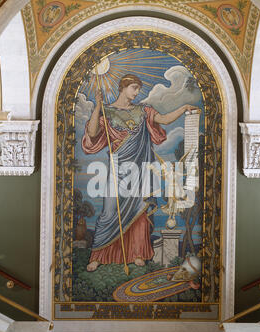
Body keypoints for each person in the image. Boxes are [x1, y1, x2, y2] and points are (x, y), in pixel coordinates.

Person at [82, 74, 197, 272]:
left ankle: (137, 253)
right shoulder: (107, 112)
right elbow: (92, 134)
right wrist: (98, 107)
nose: (136, 93)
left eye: (137, 89)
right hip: (117, 171)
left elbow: (164, 119)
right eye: (134, 88)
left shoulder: (143, 111)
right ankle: (99, 255)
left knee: (139, 212)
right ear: (123, 87)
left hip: (139, 171)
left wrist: (184, 107)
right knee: (110, 211)